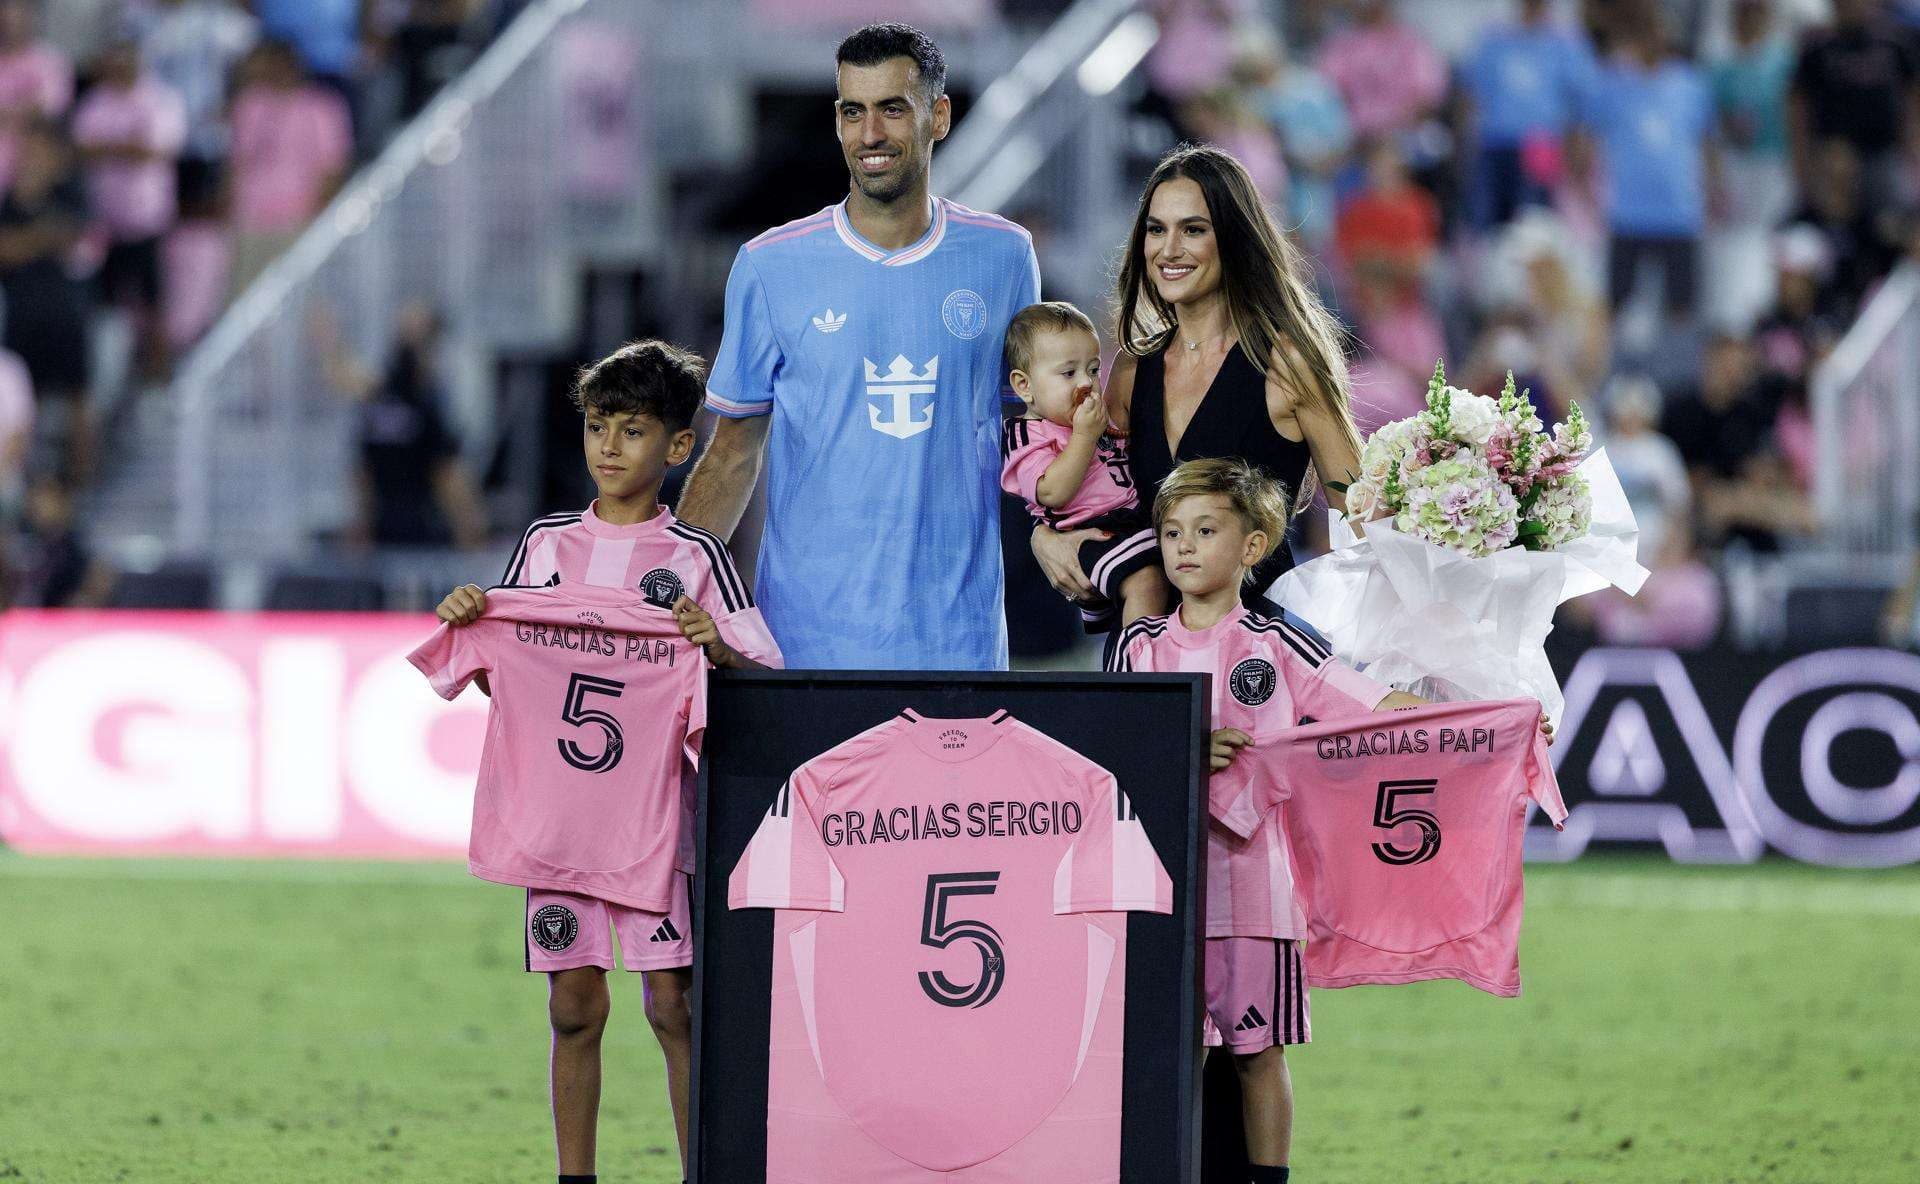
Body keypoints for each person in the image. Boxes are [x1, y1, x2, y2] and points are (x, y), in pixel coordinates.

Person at [434, 339, 780, 1184]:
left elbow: (765, 674)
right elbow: (511, 683)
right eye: (597, 427)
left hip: (658, 827)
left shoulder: (696, 559)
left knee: (675, 1007)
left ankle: (700, 1171)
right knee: (573, 1008)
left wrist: (718, 651)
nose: (609, 448)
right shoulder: (546, 546)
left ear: (679, 446)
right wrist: (473, 615)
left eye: (632, 430)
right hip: (562, 824)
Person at [682, 22, 1040, 669]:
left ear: (938, 116)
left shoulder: (1005, 256)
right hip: (803, 651)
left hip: (958, 648)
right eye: (853, 111)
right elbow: (732, 453)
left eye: (891, 109)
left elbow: (1032, 435)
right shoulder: (770, 264)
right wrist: (667, 594)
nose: (870, 134)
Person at [1106, 458, 1423, 1184]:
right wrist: (1183, 749)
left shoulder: (1280, 644)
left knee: (1257, 1053)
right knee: (1168, 1054)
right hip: (1161, 897)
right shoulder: (1140, 647)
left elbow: (1372, 707)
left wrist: (1495, 717)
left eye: (1206, 530)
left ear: (1252, 548)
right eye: (1172, 531)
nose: (1183, 547)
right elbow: (1109, 752)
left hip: (1255, 894)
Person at [1029, 144, 1364, 624]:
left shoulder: (1288, 363)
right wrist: (1042, 537)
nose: (1169, 250)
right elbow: (1086, 488)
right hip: (1149, 654)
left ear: (1233, 239)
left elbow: (1362, 514)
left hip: (1259, 661)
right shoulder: (1131, 370)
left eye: (1193, 230)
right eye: (1156, 230)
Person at [999, 300, 1166, 635]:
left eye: (1092, 369)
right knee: (1149, 580)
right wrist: (1085, 436)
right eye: (1068, 373)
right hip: (1091, 532)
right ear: (1024, 385)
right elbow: (1052, 492)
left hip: (1132, 521)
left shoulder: (1092, 417)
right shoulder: (1026, 433)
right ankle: (1139, 667)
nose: (1086, 383)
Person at [1575, 13, 1719, 323]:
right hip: (1628, 214)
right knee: (1616, 306)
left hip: (1678, 214)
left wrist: (1713, 190)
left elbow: (1706, 143)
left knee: (1680, 308)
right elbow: (1585, 139)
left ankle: (1678, 370)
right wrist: (1587, 194)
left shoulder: (1689, 84)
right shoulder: (1611, 83)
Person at [71, 40, 187, 378]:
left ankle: (160, 373)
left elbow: (154, 151)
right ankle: (107, 377)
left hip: (147, 219)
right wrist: (127, 146)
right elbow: (80, 149)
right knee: (103, 305)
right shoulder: (96, 100)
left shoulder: (160, 98)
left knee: (154, 302)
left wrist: (107, 148)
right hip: (102, 221)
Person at [1459, 0, 1596, 231]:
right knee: (1488, 225)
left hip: (1540, 146)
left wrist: (1579, 143)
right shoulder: (1494, 39)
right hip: (1494, 143)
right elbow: (1471, 89)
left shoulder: (1564, 43)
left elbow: (1583, 96)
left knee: (1533, 224)